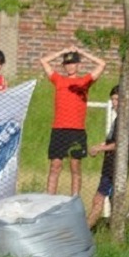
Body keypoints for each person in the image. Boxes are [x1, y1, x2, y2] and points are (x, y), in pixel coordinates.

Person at [39, 46, 107, 196]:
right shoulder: (58, 80)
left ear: (78, 65)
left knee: (75, 166)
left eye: (73, 63)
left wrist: (81, 52)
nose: (70, 66)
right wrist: (61, 52)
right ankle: (49, 198)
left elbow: (102, 64)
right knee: (55, 166)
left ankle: (74, 198)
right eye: (67, 64)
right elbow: (43, 61)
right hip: (59, 129)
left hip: (76, 130)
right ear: (64, 66)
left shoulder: (84, 81)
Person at [87, 86, 129, 228]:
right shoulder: (118, 120)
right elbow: (111, 141)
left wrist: (100, 148)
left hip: (115, 169)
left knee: (101, 200)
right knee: (104, 199)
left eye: (117, 99)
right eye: (112, 99)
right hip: (109, 167)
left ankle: (87, 229)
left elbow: (120, 144)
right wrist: (99, 145)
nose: (114, 103)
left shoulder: (126, 121)